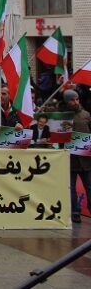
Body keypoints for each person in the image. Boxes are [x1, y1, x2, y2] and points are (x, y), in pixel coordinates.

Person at [64, 90, 91, 223]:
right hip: (71, 159)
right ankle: (75, 211)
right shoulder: (63, 117)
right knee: (71, 188)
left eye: (77, 99)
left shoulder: (86, 115)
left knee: (89, 187)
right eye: (72, 100)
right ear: (67, 101)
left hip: (86, 160)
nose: (75, 102)